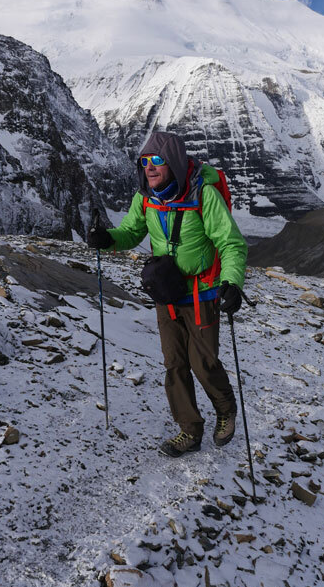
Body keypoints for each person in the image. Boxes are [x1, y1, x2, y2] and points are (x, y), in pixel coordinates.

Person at [87, 131, 248, 457]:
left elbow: (231, 243)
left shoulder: (204, 196)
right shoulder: (145, 198)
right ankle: (189, 430)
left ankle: (225, 410)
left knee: (203, 363)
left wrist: (231, 283)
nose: (150, 167)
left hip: (201, 293)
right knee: (175, 364)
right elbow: (130, 232)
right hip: (167, 294)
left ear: (173, 163)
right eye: (145, 161)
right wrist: (107, 239)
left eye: (157, 161)